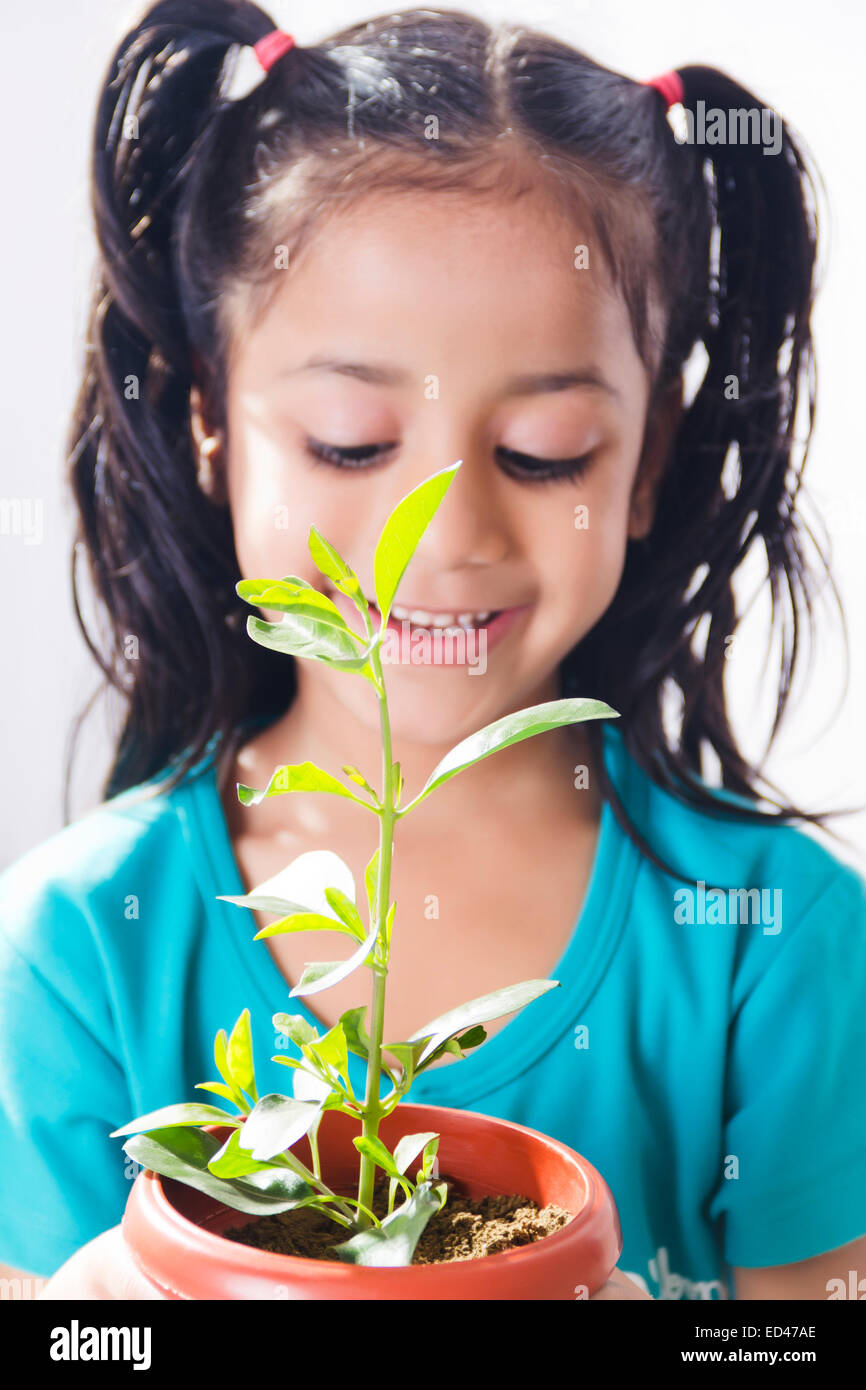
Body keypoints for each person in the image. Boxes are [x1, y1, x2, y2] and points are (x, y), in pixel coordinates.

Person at [1, 0, 864, 1302]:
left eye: (542, 454)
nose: (441, 537)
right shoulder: (79, 945)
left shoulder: (776, 938)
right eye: (350, 441)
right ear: (210, 429)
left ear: (646, 465)